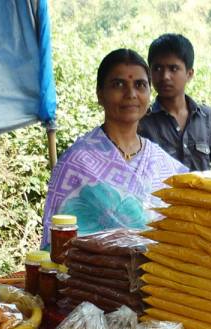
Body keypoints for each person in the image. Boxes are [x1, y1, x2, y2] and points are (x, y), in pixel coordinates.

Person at [41, 49, 188, 245]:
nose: (131, 94)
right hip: (90, 274)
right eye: (118, 84)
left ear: (149, 94)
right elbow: (57, 241)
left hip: (157, 274)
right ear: (100, 94)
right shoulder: (77, 161)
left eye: (140, 85)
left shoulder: (163, 165)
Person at [138, 33, 211, 173]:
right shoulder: (142, 123)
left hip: (205, 195)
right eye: (158, 69)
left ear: (189, 74)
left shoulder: (209, 118)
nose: (165, 76)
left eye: (173, 69)